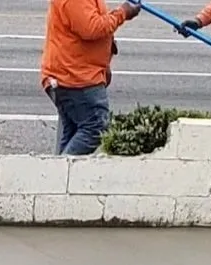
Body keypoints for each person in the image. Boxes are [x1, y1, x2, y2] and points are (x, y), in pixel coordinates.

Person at [42, 0, 142, 156]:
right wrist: (122, 13)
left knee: (74, 130)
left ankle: (60, 174)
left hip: (75, 74)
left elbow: (93, 23)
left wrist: (103, 64)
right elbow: (92, 28)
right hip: (75, 78)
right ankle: (61, 174)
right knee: (95, 128)